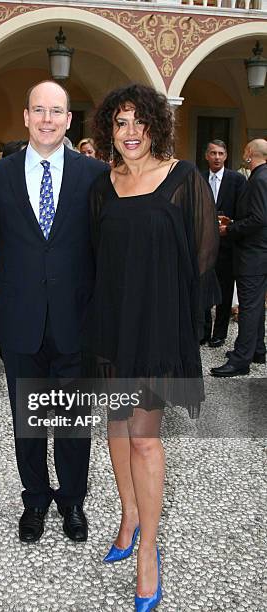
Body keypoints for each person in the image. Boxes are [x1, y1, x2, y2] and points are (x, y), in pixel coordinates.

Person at [86, 84, 219, 611]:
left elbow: (205, 259)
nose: (131, 132)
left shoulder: (185, 179)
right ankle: (128, 514)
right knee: (115, 426)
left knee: (143, 437)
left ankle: (150, 552)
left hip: (159, 327)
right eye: (120, 123)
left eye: (139, 122)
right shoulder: (104, 184)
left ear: (156, 126)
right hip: (112, 326)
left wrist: (179, 324)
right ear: (109, 132)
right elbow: (98, 258)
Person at [0, 80, 107, 544]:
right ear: (27, 117)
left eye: (57, 111)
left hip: (77, 321)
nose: (48, 119)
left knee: (74, 423)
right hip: (21, 320)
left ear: (69, 120)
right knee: (27, 422)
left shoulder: (95, 175)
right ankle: (34, 499)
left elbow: (103, 245)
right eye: (39, 110)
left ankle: (72, 500)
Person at [211, 138, 267, 377]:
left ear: (249, 153)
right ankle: (257, 349)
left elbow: (258, 219)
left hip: (252, 254)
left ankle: (241, 359)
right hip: (257, 252)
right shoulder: (261, 177)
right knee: (255, 305)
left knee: (249, 307)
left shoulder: (259, 179)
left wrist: (229, 229)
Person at [201, 140, 246, 347]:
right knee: (202, 289)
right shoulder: (198, 178)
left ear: (226, 155)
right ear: (206, 156)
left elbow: (244, 211)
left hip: (227, 246)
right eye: (213, 153)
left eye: (220, 153)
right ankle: (202, 331)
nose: (217, 157)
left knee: (225, 291)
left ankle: (219, 334)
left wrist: (231, 225)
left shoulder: (237, 180)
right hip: (202, 246)